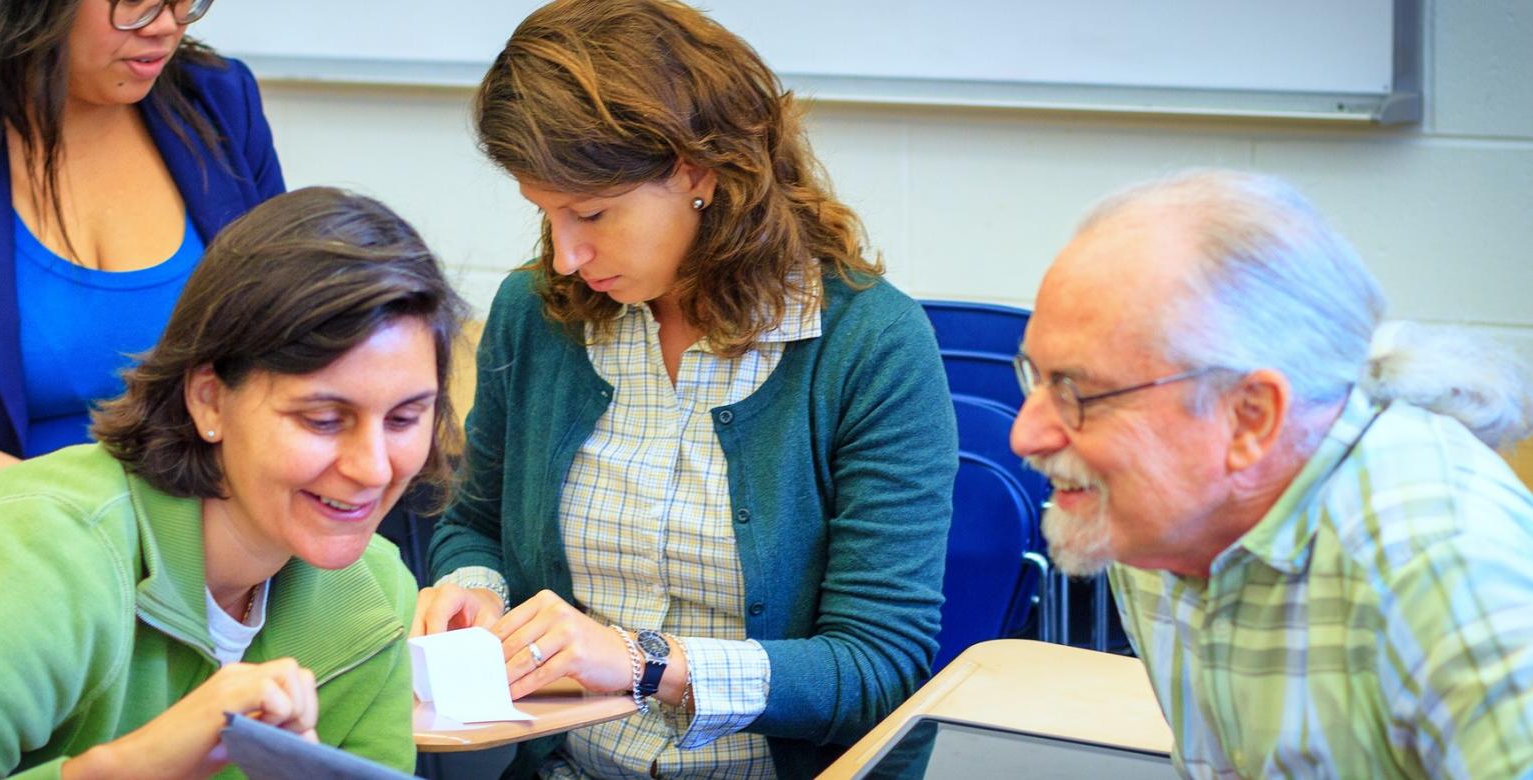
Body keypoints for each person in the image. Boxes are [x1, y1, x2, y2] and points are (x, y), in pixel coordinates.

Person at [414, 1, 956, 777]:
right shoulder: (535, 316)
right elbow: (475, 525)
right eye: (547, 216)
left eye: (591, 213)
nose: (566, 256)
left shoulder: (869, 345)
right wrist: (476, 592)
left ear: (699, 171)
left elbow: (878, 668)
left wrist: (646, 663)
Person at [0, 186, 464, 777]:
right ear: (210, 400)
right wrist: (119, 768)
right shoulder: (32, 559)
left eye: (405, 418)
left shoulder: (375, 595)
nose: (374, 467)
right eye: (324, 420)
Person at [1009, 168, 1533, 777]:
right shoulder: (1154, 520)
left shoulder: (1446, 572)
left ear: (1249, 418)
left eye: (1078, 391)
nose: (1026, 433)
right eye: (1036, 376)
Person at [0, 0, 286, 591]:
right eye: (134, 1)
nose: (166, 23)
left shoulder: (219, 100)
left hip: (212, 562)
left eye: (185, 0)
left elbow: (287, 333)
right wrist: (76, 521)